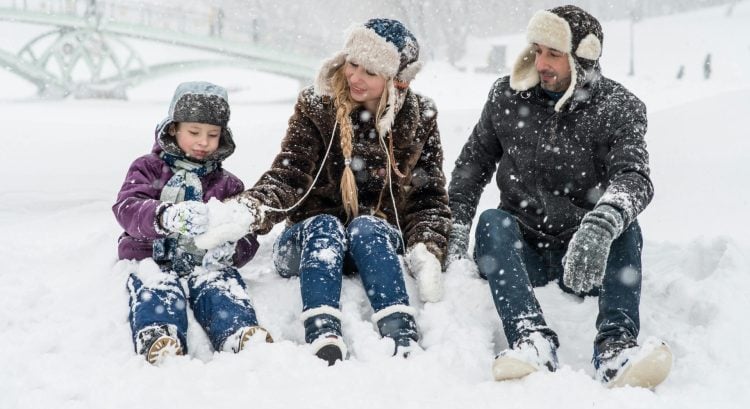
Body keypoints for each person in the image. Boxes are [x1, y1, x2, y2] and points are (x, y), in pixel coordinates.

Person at [447, 5, 671, 388]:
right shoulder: (506, 96)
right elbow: (471, 168)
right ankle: (531, 339)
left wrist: (601, 225)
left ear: (582, 58)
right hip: (523, 251)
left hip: (586, 257)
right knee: (491, 222)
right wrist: (453, 229)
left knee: (625, 226)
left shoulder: (619, 108)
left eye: (554, 53)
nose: (541, 62)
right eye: (537, 50)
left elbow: (634, 177)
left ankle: (616, 349)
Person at [227, 18, 451, 365]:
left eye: (370, 72)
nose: (355, 77)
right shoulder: (317, 105)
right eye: (353, 63)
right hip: (309, 242)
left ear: (397, 81)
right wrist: (250, 209)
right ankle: (323, 330)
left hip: (372, 245)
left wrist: (427, 246)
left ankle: (399, 331)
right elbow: (290, 174)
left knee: (368, 227)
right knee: (325, 227)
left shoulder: (420, 117)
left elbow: (429, 196)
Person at [113, 81, 272, 365]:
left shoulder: (228, 184)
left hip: (204, 263)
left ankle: (237, 330)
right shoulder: (148, 168)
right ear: (173, 128)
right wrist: (164, 216)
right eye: (194, 132)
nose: (203, 142)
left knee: (221, 285)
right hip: (151, 257)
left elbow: (245, 233)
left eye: (212, 134)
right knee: (157, 286)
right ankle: (159, 333)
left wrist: (232, 249)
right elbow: (128, 207)